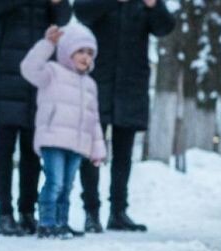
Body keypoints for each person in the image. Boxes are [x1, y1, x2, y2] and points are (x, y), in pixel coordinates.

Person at [74, 0, 176, 233]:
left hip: (131, 84)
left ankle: (118, 211)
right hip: (96, 82)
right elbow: (81, 11)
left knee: (124, 153)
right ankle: (91, 212)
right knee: (91, 151)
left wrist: (154, 6)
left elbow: (165, 27)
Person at [0, 0, 73, 236]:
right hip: (3, 69)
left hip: (38, 69)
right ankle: (4, 214)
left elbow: (63, 18)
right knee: (4, 144)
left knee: (33, 146)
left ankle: (27, 212)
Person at [20, 24, 107, 239]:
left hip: (77, 144)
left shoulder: (90, 84)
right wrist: (48, 44)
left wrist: (98, 149)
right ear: (67, 51)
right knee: (55, 183)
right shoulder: (52, 72)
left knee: (67, 186)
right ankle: (47, 223)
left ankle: (61, 223)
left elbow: (94, 119)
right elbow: (29, 68)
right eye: (80, 51)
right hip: (53, 140)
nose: (85, 57)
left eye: (90, 53)